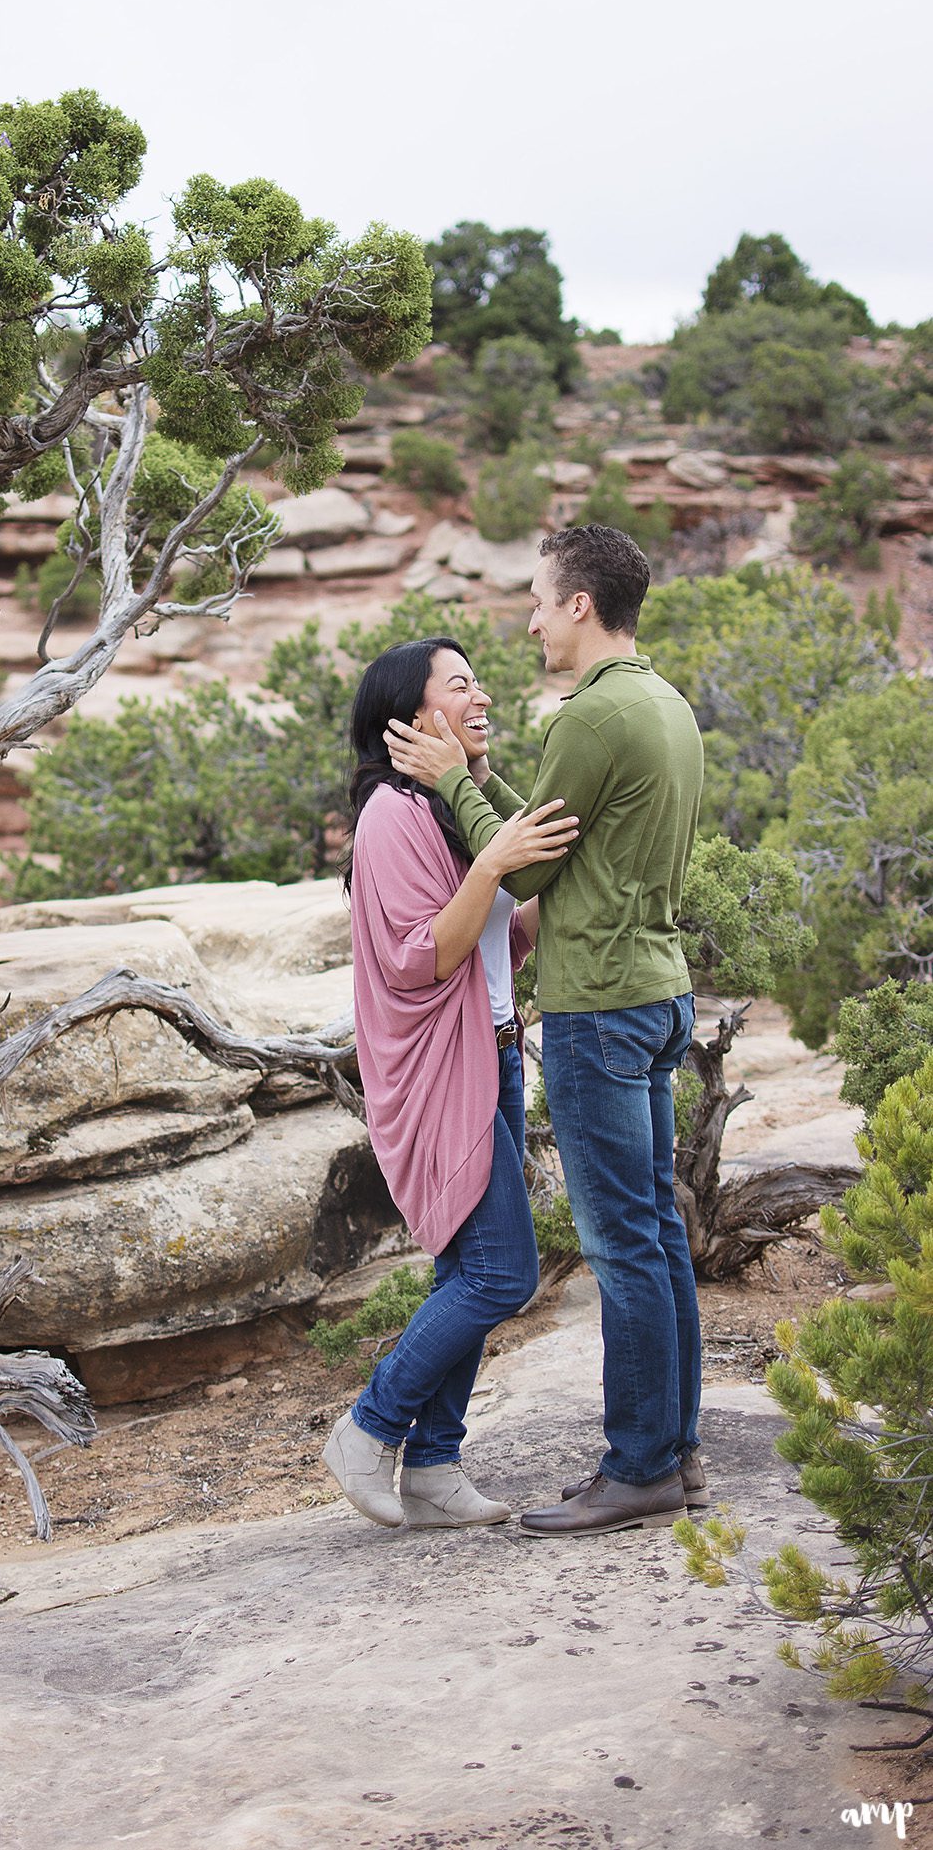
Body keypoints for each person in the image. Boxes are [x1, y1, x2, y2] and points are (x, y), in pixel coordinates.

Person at [387, 524, 705, 1538]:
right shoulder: (663, 705)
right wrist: (481, 791)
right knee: (656, 1234)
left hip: (600, 1010)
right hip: (658, 993)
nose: (527, 620)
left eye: (536, 601)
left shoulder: (591, 717)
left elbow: (523, 872)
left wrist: (452, 785)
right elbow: (559, 836)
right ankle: (678, 1449)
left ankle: (640, 1465)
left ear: (579, 604)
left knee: (620, 1247)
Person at [321, 636, 578, 1530]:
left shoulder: (452, 807)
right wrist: (495, 861)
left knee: (465, 1268)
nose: (481, 693)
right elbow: (421, 957)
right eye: (459, 683)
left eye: (479, 679)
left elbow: (507, 938)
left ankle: (432, 1464)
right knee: (503, 1273)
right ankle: (370, 1426)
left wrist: (570, 865)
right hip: (444, 1069)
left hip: (497, 1051)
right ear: (411, 713)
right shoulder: (391, 816)